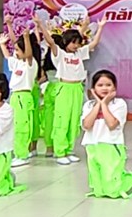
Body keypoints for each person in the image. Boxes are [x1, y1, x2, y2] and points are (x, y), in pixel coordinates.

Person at [36, 16, 105, 166]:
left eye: (78, 43)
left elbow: (94, 43)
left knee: (74, 121)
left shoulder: (79, 53)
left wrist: (100, 27)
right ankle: (59, 151)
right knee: (62, 120)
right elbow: (50, 41)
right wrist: (40, 25)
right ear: (66, 42)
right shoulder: (59, 54)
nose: (76, 46)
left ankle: (69, 150)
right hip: (64, 88)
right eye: (73, 42)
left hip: (77, 88)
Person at [81, 70, 132, 199]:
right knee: (99, 191)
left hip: (111, 146)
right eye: (100, 85)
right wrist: (98, 104)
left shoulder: (119, 104)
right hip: (92, 146)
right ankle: (124, 177)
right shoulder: (88, 105)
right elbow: (87, 125)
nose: (104, 88)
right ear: (93, 88)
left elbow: (112, 124)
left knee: (113, 191)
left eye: (108, 85)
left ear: (114, 87)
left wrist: (104, 104)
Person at [1, 26, 40, 167]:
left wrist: (26, 38)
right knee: (16, 125)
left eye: (18, 50)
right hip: (15, 96)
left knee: (22, 127)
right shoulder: (17, 63)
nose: (15, 53)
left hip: (24, 96)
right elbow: (7, 56)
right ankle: (19, 152)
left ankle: (22, 155)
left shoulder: (30, 63)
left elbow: (28, 54)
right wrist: (2, 44)